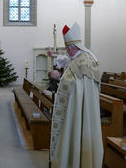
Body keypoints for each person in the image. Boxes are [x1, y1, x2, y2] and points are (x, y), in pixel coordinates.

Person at [50, 22, 103, 168]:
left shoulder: (85, 61)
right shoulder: (77, 58)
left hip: (82, 109)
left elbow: (78, 86)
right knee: (72, 136)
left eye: (68, 48)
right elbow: (73, 79)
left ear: (74, 47)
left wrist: (59, 78)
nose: (67, 51)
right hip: (74, 107)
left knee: (80, 134)